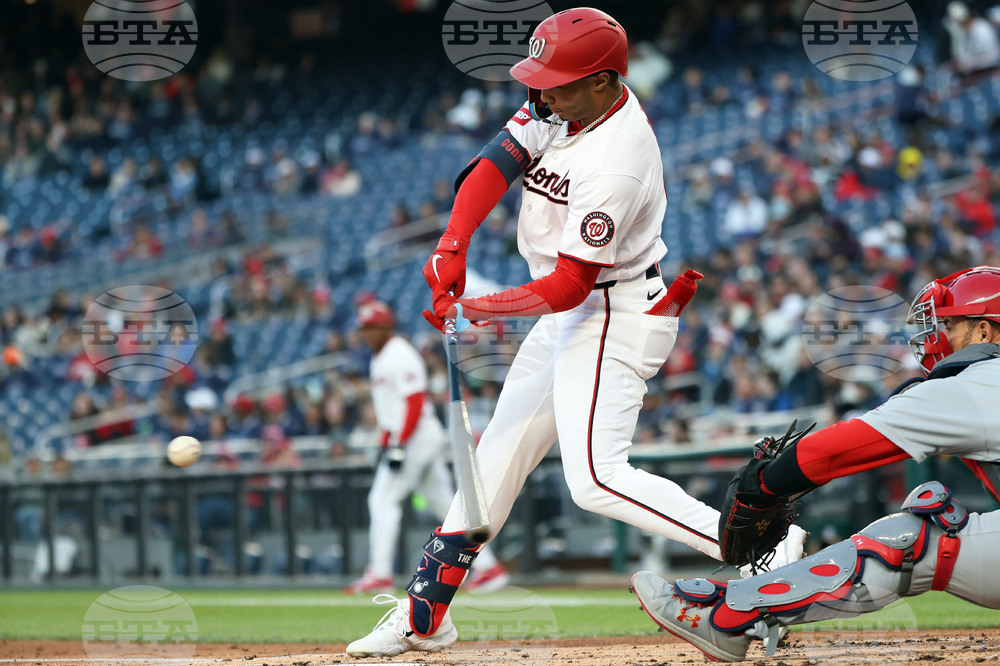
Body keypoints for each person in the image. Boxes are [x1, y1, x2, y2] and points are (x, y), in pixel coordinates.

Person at [347, 8, 803, 658]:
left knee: (595, 478)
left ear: (604, 81)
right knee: (497, 457)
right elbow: (492, 164)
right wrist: (453, 244)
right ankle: (426, 616)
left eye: (557, 81)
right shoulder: (563, 102)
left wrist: (479, 308)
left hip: (611, 313)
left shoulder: (619, 156)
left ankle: (767, 548)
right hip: (574, 314)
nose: (541, 92)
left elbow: (568, 287)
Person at [630, 266, 1000, 662]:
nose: (935, 337)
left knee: (916, 535)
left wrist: (767, 482)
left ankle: (726, 617)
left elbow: (835, 450)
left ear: (983, 332)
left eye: (948, 324)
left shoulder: (978, 381)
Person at [344, 300, 508, 595]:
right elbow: (390, 408)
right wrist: (386, 441)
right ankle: (488, 568)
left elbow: (415, 402)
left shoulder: (399, 353)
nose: (367, 333)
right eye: (364, 328)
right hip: (410, 437)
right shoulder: (379, 356)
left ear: (386, 327)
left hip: (416, 437)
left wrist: (398, 444)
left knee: (382, 500)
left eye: (372, 327)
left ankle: (380, 573)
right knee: (446, 506)